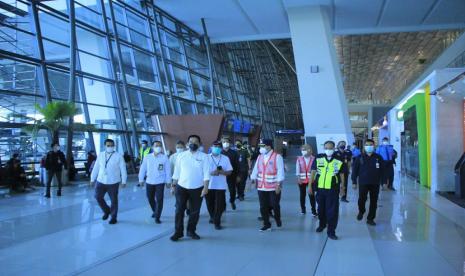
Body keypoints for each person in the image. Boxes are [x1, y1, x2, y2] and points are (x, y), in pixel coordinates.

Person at [170, 135, 210, 241]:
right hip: (181, 187)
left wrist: (205, 188)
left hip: (197, 188)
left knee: (194, 211)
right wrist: (173, 185)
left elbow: (206, 174)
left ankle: (191, 231)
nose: (193, 143)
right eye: (191, 141)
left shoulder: (204, 157)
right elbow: (176, 173)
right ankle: (178, 232)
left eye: (196, 141)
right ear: (187, 144)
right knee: (179, 210)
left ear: (199, 144)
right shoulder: (181, 156)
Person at [90, 139, 127, 225]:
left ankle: (113, 217)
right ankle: (107, 211)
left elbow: (123, 169)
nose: (110, 147)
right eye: (108, 145)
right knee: (98, 197)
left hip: (113, 182)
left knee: (114, 200)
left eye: (112, 145)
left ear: (114, 146)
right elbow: (96, 168)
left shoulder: (119, 156)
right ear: (105, 146)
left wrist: (124, 181)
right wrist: (92, 179)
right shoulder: (101, 155)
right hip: (100, 181)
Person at [251, 139, 285, 231]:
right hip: (261, 187)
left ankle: (277, 218)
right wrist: (253, 179)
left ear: (269, 146)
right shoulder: (260, 157)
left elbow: (280, 172)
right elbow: (256, 169)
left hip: (273, 187)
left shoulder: (277, 157)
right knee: (263, 206)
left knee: (275, 205)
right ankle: (267, 224)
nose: (261, 148)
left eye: (263, 146)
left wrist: (278, 185)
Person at [315, 141, 344, 240]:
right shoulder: (319, 158)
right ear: (324, 148)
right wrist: (310, 185)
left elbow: (342, 174)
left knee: (332, 211)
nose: (328, 150)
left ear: (334, 148)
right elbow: (313, 171)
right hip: (320, 189)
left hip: (333, 189)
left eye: (330, 148)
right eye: (326, 148)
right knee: (320, 209)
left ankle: (331, 231)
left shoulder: (339, 159)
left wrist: (342, 187)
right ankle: (322, 224)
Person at [352, 139, 385, 226]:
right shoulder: (359, 157)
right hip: (363, 182)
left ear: (374, 146)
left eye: (371, 145)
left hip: (375, 183)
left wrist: (384, 182)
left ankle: (370, 218)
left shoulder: (378, 157)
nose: (369, 146)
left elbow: (383, 171)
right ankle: (361, 211)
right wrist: (354, 181)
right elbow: (354, 171)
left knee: (374, 201)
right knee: (362, 199)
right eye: (367, 145)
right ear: (364, 146)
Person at [138, 141, 171, 224]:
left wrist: (168, 181)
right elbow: (143, 169)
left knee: (159, 199)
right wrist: (141, 179)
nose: (158, 147)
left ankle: (157, 216)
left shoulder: (164, 157)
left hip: (160, 182)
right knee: (150, 198)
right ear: (152, 147)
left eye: (160, 146)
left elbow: (168, 170)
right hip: (149, 181)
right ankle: (155, 211)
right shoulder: (147, 157)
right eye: (156, 146)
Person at [206, 141, 233, 230]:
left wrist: (223, 172)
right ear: (211, 147)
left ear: (221, 148)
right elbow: (201, 171)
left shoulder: (225, 158)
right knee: (209, 203)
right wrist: (211, 173)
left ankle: (217, 222)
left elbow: (229, 171)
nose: (216, 148)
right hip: (208, 185)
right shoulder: (206, 158)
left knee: (219, 205)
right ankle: (212, 216)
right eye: (215, 146)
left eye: (218, 146)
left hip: (220, 186)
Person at [296, 144, 317, 216]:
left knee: (311, 195)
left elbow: (315, 170)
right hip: (301, 180)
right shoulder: (299, 159)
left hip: (311, 180)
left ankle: (314, 211)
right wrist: (298, 178)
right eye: (302, 150)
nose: (303, 151)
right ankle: (303, 209)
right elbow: (297, 169)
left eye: (305, 149)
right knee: (302, 195)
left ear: (310, 150)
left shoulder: (314, 158)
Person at [221, 137, 239, 210]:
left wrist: (238, 175)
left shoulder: (234, 153)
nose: (225, 143)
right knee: (222, 191)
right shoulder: (220, 153)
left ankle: (232, 201)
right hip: (221, 175)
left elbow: (237, 164)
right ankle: (223, 205)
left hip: (232, 174)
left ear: (229, 143)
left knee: (232, 190)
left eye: (227, 142)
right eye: (224, 142)